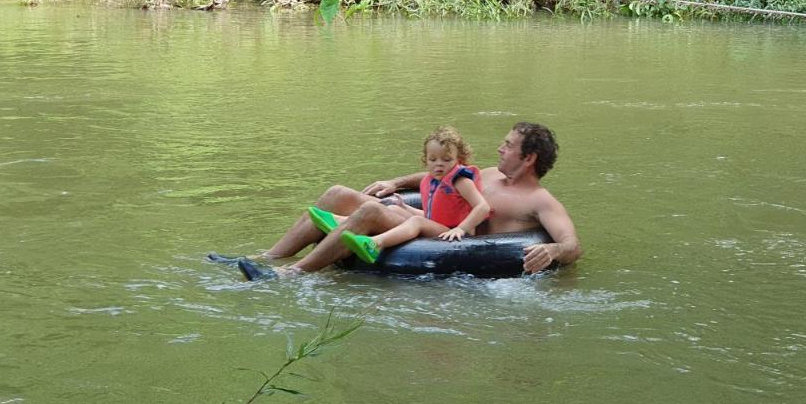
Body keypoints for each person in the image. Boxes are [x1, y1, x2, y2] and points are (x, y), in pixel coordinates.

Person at [244, 122, 580, 277]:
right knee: (337, 194)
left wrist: (552, 250)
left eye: (508, 145)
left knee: (372, 211)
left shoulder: (541, 200)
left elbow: (572, 245)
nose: (500, 148)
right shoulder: (491, 174)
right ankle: (270, 256)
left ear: (529, 157)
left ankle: (291, 273)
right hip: (434, 223)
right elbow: (437, 178)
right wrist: (394, 182)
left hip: (450, 240)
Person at [316, 126, 491, 263]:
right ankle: (343, 222)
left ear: (458, 159)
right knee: (393, 207)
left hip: (458, 236)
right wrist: (405, 207)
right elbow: (435, 216)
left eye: (447, 160)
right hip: (440, 226)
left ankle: (375, 243)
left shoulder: (460, 181)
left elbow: (482, 207)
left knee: (416, 221)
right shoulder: (430, 182)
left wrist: (461, 229)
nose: (439, 165)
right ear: (425, 159)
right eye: (433, 159)